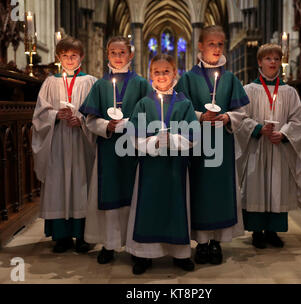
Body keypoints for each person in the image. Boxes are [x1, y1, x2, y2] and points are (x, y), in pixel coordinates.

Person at [175, 25, 249, 265]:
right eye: (211, 44)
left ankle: (217, 243)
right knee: (199, 192)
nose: (216, 49)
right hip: (197, 145)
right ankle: (202, 243)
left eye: (220, 44)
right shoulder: (187, 78)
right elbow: (180, 109)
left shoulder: (229, 77)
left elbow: (241, 111)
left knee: (220, 193)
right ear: (200, 46)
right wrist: (199, 117)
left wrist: (227, 118)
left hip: (222, 144)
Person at [79, 36, 152, 264]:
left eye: (122, 53)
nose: (118, 57)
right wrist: (106, 126)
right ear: (106, 54)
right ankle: (109, 244)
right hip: (108, 150)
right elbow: (90, 119)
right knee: (109, 196)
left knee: (134, 197)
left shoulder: (141, 84)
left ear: (130, 55)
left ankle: (136, 247)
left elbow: (152, 114)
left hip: (134, 149)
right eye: (113, 52)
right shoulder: (100, 85)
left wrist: (133, 124)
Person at [125, 54, 198, 275]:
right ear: (150, 75)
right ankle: (144, 254)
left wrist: (174, 141)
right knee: (148, 207)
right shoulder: (144, 103)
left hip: (175, 166)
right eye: (157, 71)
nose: (162, 75)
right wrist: (153, 142)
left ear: (175, 73)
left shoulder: (184, 103)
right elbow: (132, 134)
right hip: (150, 167)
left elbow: (194, 134)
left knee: (176, 207)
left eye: (166, 71)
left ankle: (180, 253)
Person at [238, 43, 301, 249]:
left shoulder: (289, 92)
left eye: (277, 59)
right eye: (268, 59)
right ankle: (256, 232)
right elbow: (240, 119)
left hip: (279, 149)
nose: (273, 62)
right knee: (256, 187)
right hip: (257, 148)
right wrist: (258, 128)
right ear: (260, 62)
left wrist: (284, 133)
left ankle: (272, 231)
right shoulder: (248, 90)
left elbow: (298, 121)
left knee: (276, 188)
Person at [32, 36, 96, 253]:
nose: (69, 60)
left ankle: (84, 235)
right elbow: (40, 114)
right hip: (57, 141)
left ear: (82, 57)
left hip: (81, 142)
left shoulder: (91, 82)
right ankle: (62, 236)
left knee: (82, 182)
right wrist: (55, 115)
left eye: (74, 56)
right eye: (65, 56)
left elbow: (96, 113)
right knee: (58, 184)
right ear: (58, 57)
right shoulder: (50, 82)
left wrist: (81, 120)